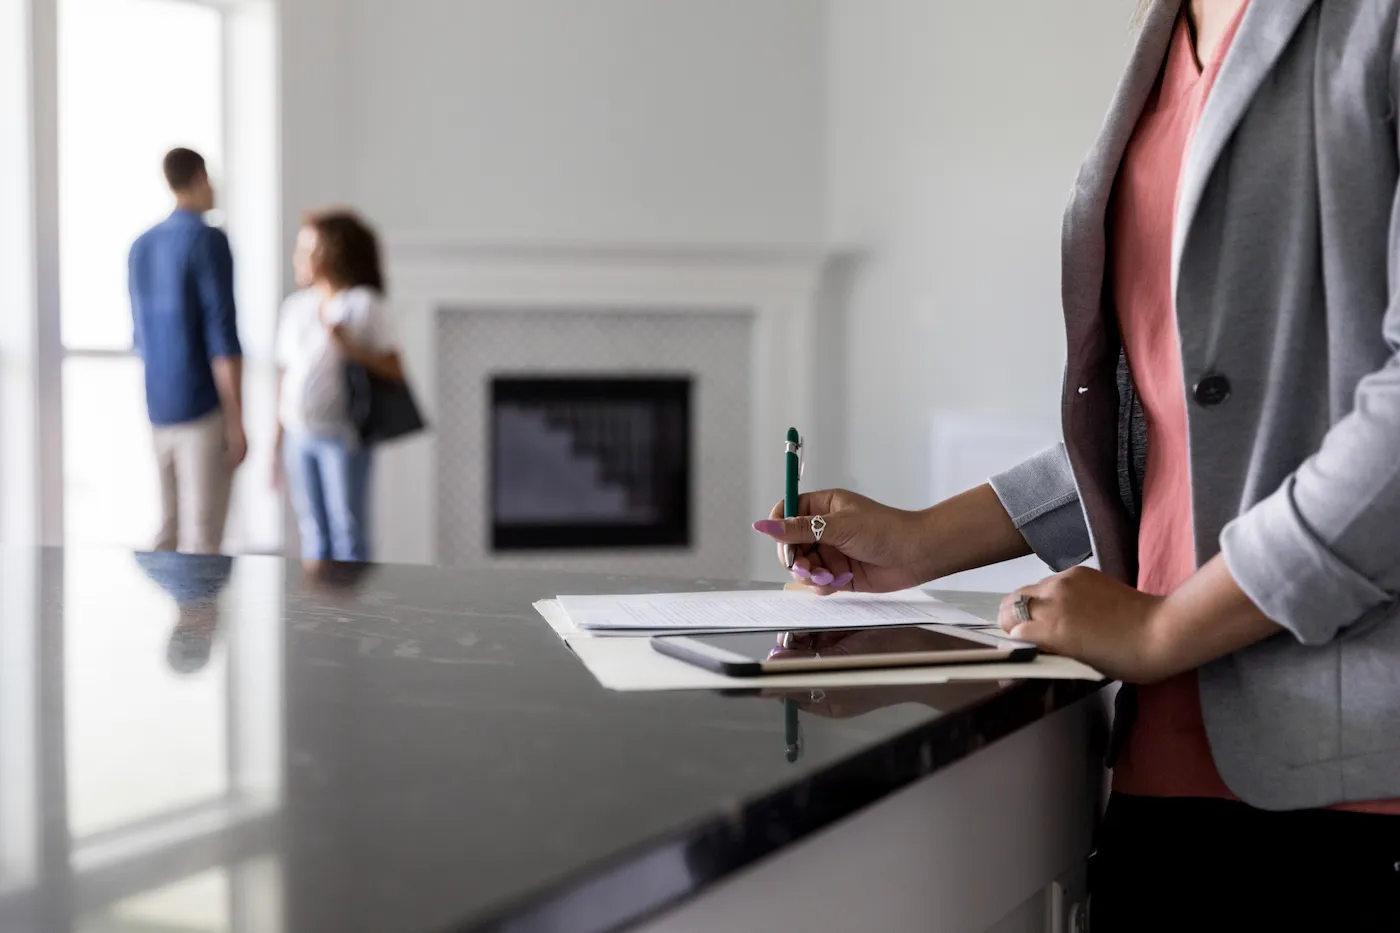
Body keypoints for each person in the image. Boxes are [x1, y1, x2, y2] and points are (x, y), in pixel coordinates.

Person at [753, 1, 1400, 928]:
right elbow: (1177, 417)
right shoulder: (1170, 32)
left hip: (1360, 782)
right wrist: (922, 539)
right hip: (1166, 769)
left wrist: (1168, 626)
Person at [128, 147, 246, 554]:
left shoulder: (141, 247)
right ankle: (199, 618)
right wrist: (236, 420)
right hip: (201, 406)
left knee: (169, 528)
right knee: (202, 538)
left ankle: (170, 617)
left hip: (158, 403)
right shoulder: (208, 240)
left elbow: (140, 338)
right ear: (198, 178)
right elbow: (222, 337)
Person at [273, 210, 403, 562]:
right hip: (299, 435)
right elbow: (284, 379)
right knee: (313, 530)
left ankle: (353, 614)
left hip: (343, 436)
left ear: (332, 253)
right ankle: (325, 613)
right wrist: (276, 444)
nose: (298, 258)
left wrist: (349, 347)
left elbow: (394, 368)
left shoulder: (363, 305)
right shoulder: (296, 307)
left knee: (349, 532)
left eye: (307, 249)